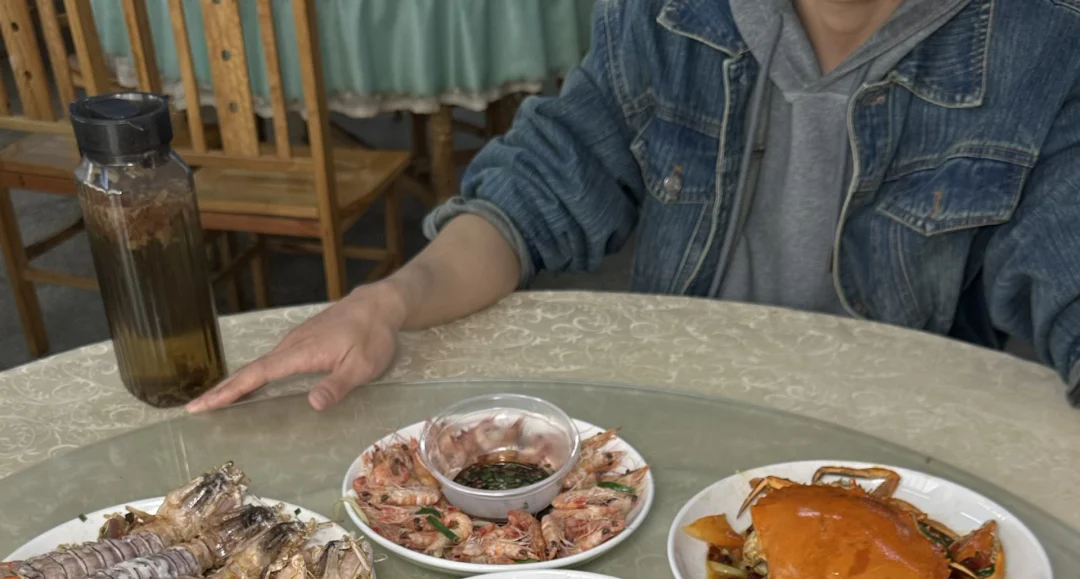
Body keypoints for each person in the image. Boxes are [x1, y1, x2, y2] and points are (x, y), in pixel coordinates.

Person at [188, 0, 1080, 414]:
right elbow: (539, 187)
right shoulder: (665, 15)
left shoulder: (1044, 40)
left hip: (896, 448)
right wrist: (386, 302)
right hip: (679, 423)